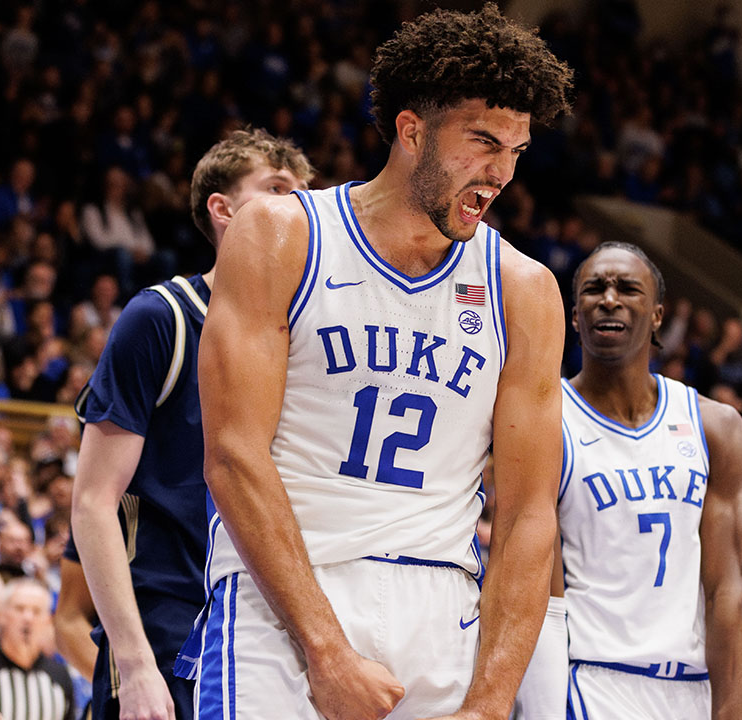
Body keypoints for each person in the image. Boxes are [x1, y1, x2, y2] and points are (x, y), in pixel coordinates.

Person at [179, 5, 573, 718]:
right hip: (287, 595)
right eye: (483, 142)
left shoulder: (524, 290)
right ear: (411, 130)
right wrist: (325, 649)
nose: (500, 173)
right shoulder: (282, 234)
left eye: (516, 151)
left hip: (442, 608)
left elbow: (527, 516)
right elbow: (233, 454)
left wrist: (489, 703)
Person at [69, 129, 313, 720]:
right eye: (278, 189)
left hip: (267, 622)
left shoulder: (310, 338)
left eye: (306, 195)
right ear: (223, 209)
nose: (299, 208)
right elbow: (93, 502)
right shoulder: (161, 318)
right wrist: (134, 663)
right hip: (168, 622)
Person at [518, 242, 742, 718]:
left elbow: (727, 595)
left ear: (658, 315)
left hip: (691, 689)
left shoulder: (715, 427)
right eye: (594, 289)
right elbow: (542, 596)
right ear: (575, 316)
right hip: (592, 682)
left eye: (627, 288)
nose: (609, 299)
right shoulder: (547, 423)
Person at [0, 578, 75, 720]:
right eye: (19, 609)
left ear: (48, 620)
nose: (28, 618)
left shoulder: (60, 676)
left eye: (36, 611)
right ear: (1, 615)